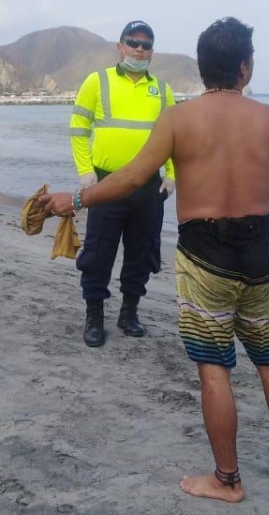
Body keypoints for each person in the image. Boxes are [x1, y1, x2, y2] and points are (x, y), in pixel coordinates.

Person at [42, 17, 269, 502]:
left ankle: (227, 481)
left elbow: (129, 178)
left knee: (214, 370)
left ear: (203, 70)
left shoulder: (178, 120)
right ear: (245, 69)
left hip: (205, 258)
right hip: (260, 252)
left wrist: (76, 200)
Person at [68, 20, 175, 347]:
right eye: (133, 42)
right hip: (105, 183)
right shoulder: (96, 82)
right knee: (99, 252)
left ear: (152, 51)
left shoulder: (163, 90)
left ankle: (129, 313)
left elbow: (174, 138)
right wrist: (86, 173)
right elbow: (78, 127)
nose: (139, 49)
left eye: (146, 44)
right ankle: (94, 317)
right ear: (121, 46)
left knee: (142, 253)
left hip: (148, 189)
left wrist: (171, 175)